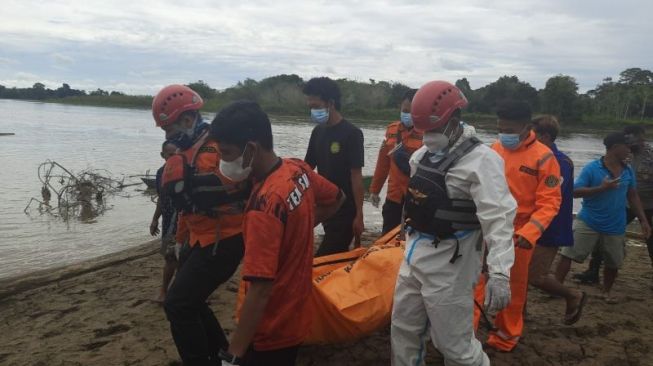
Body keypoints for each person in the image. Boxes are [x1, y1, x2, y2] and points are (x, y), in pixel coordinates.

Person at [391, 80, 516, 366]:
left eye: (434, 129)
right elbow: (417, 202)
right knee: (403, 329)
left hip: (452, 263)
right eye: (424, 130)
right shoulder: (421, 155)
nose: (429, 136)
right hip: (414, 254)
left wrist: (499, 273)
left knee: (454, 345)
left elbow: (499, 218)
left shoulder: (482, 161)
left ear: (455, 120)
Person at [210, 100, 344, 366]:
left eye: (225, 153)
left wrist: (233, 355)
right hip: (296, 312)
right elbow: (337, 198)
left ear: (250, 148)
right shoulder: (297, 170)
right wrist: (299, 230)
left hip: (269, 327)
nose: (221, 161)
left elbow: (260, 290)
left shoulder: (264, 207)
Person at [152, 84, 250, 366]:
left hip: (225, 239)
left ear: (186, 120)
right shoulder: (188, 151)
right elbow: (187, 206)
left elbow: (243, 185)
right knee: (191, 302)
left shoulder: (223, 147)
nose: (168, 137)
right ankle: (219, 354)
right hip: (200, 238)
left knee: (177, 304)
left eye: (168, 129)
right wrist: (180, 241)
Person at [473, 100, 562, 352]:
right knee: (474, 281)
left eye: (510, 129)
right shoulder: (493, 149)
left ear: (526, 127)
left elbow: (550, 202)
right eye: (501, 128)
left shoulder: (544, 157)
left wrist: (530, 233)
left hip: (518, 234)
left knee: (512, 289)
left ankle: (505, 337)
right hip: (486, 228)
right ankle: (464, 334)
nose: (505, 134)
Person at [555, 132, 652, 304]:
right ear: (615, 148)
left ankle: (606, 292)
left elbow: (633, 196)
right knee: (567, 255)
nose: (629, 150)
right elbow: (574, 192)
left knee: (614, 262)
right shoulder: (592, 168)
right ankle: (556, 287)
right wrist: (601, 188)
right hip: (589, 221)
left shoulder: (627, 170)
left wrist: (643, 220)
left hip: (615, 224)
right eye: (626, 146)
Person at [573, 125, 653, 285]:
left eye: (632, 139)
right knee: (604, 235)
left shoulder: (650, 156)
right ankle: (593, 271)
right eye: (626, 141)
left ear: (640, 137)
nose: (629, 144)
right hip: (623, 203)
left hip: (649, 204)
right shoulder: (623, 156)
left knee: (651, 240)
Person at [527, 115, 586, 325]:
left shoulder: (559, 162)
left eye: (532, 134)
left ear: (545, 136)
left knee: (536, 276)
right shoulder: (534, 156)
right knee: (519, 272)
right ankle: (518, 313)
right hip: (530, 224)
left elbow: (548, 196)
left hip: (550, 227)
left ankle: (572, 295)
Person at [303, 77, 365, 256]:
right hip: (325, 206)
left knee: (326, 256)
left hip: (346, 209)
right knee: (336, 255)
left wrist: (359, 215)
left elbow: (356, 176)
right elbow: (307, 168)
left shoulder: (352, 134)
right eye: (310, 107)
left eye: (315, 106)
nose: (313, 111)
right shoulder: (318, 131)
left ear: (330, 103)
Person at [369, 88, 423, 234]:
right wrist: (375, 190)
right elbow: (383, 163)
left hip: (417, 197)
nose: (407, 115)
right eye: (404, 110)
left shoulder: (428, 135)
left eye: (411, 112)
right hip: (394, 195)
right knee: (388, 233)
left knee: (414, 235)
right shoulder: (391, 130)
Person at [150, 140, 179, 303]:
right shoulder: (161, 173)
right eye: (170, 155)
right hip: (168, 222)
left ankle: (183, 291)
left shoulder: (188, 171)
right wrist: (155, 219)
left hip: (186, 221)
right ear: (163, 156)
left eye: (177, 154)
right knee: (169, 258)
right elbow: (161, 198)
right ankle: (164, 290)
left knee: (185, 258)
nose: (174, 158)